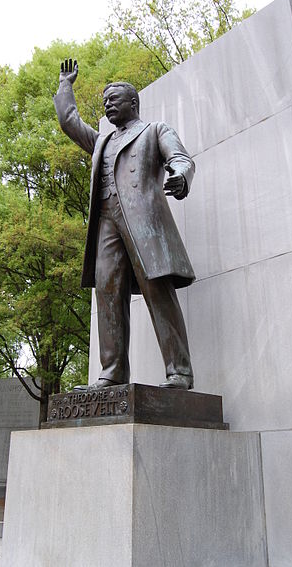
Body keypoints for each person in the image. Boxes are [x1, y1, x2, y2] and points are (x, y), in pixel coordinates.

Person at [54, 58, 196, 390]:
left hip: (145, 224)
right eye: (105, 102)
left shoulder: (154, 130)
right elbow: (70, 121)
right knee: (107, 293)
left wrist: (180, 176)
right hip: (106, 224)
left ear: (133, 103)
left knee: (158, 293)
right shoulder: (101, 141)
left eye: (113, 100)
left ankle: (180, 372)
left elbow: (180, 158)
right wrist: (65, 85)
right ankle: (113, 372)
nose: (107, 106)